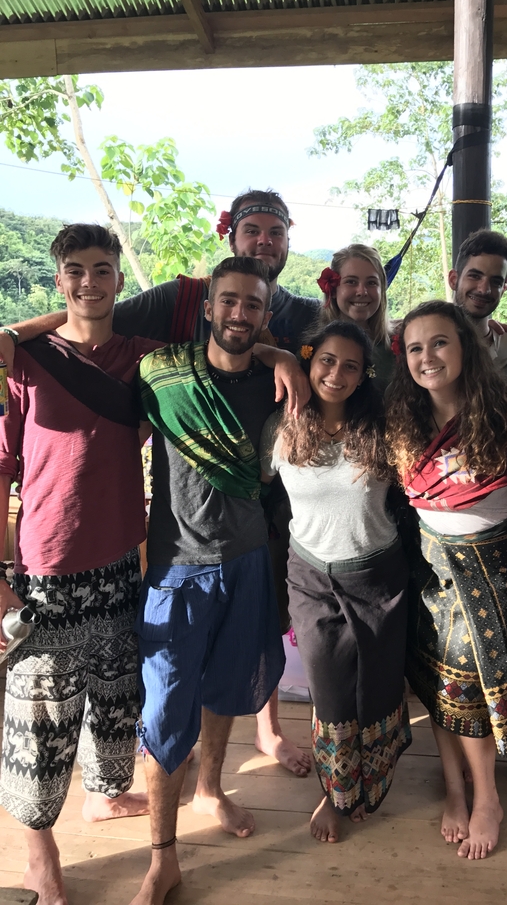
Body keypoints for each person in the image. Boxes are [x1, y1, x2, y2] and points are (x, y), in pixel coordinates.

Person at [0, 188, 315, 779]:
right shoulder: (141, 354)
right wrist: (13, 335)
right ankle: (77, 835)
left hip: (167, 548)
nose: (91, 282)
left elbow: (245, 351)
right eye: (254, 232)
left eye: (276, 232)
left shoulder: (291, 316)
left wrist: (283, 359)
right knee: (66, 706)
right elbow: (87, 317)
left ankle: (141, 789)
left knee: (132, 693)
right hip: (90, 556)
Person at [0, 224, 159, 905]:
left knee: (116, 702)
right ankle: (39, 855)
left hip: (123, 561)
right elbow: (1, 466)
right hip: (45, 568)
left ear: (121, 280)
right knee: (39, 723)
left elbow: (224, 349)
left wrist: (282, 356)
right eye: (75, 271)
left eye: (102, 270)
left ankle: (101, 797)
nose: (89, 283)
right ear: (58, 279)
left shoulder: (145, 357)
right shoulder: (23, 361)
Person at [130, 256, 286, 905]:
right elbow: (112, 439)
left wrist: (291, 361)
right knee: (165, 713)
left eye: (253, 304)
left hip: (249, 561)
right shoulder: (162, 377)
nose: (239, 314)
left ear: (265, 315)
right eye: (229, 301)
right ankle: (161, 859)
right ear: (208, 307)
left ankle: (211, 788)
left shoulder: (278, 385)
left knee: (227, 690)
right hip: (176, 569)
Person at [385, 300, 507, 861]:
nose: (428, 357)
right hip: (429, 566)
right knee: (435, 682)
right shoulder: (404, 420)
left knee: (468, 686)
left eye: (440, 343)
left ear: (466, 348)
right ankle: (455, 789)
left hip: (491, 573)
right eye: (416, 348)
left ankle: (488, 798)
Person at [261, 321, 410, 843]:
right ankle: (336, 791)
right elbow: (224, 352)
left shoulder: (384, 427)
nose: (337, 373)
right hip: (310, 576)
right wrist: (275, 350)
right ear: (307, 362)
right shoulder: (280, 423)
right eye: (326, 360)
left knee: (379, 681)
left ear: (364, 374)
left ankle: (374, 778)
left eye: (351, 365)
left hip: (378, 574)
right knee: (328, 688)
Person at [313, 244, 396, 389]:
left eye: (371, 283)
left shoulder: (397, 349)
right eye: (351, 282)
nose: (362, 291)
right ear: (333, 290)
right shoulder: (313, 348)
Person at [448, 229, 507, 372]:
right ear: (453, 280)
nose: (484, 289)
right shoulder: (424, 344)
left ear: (503, 290)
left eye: (496, 282)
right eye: (475, 276)